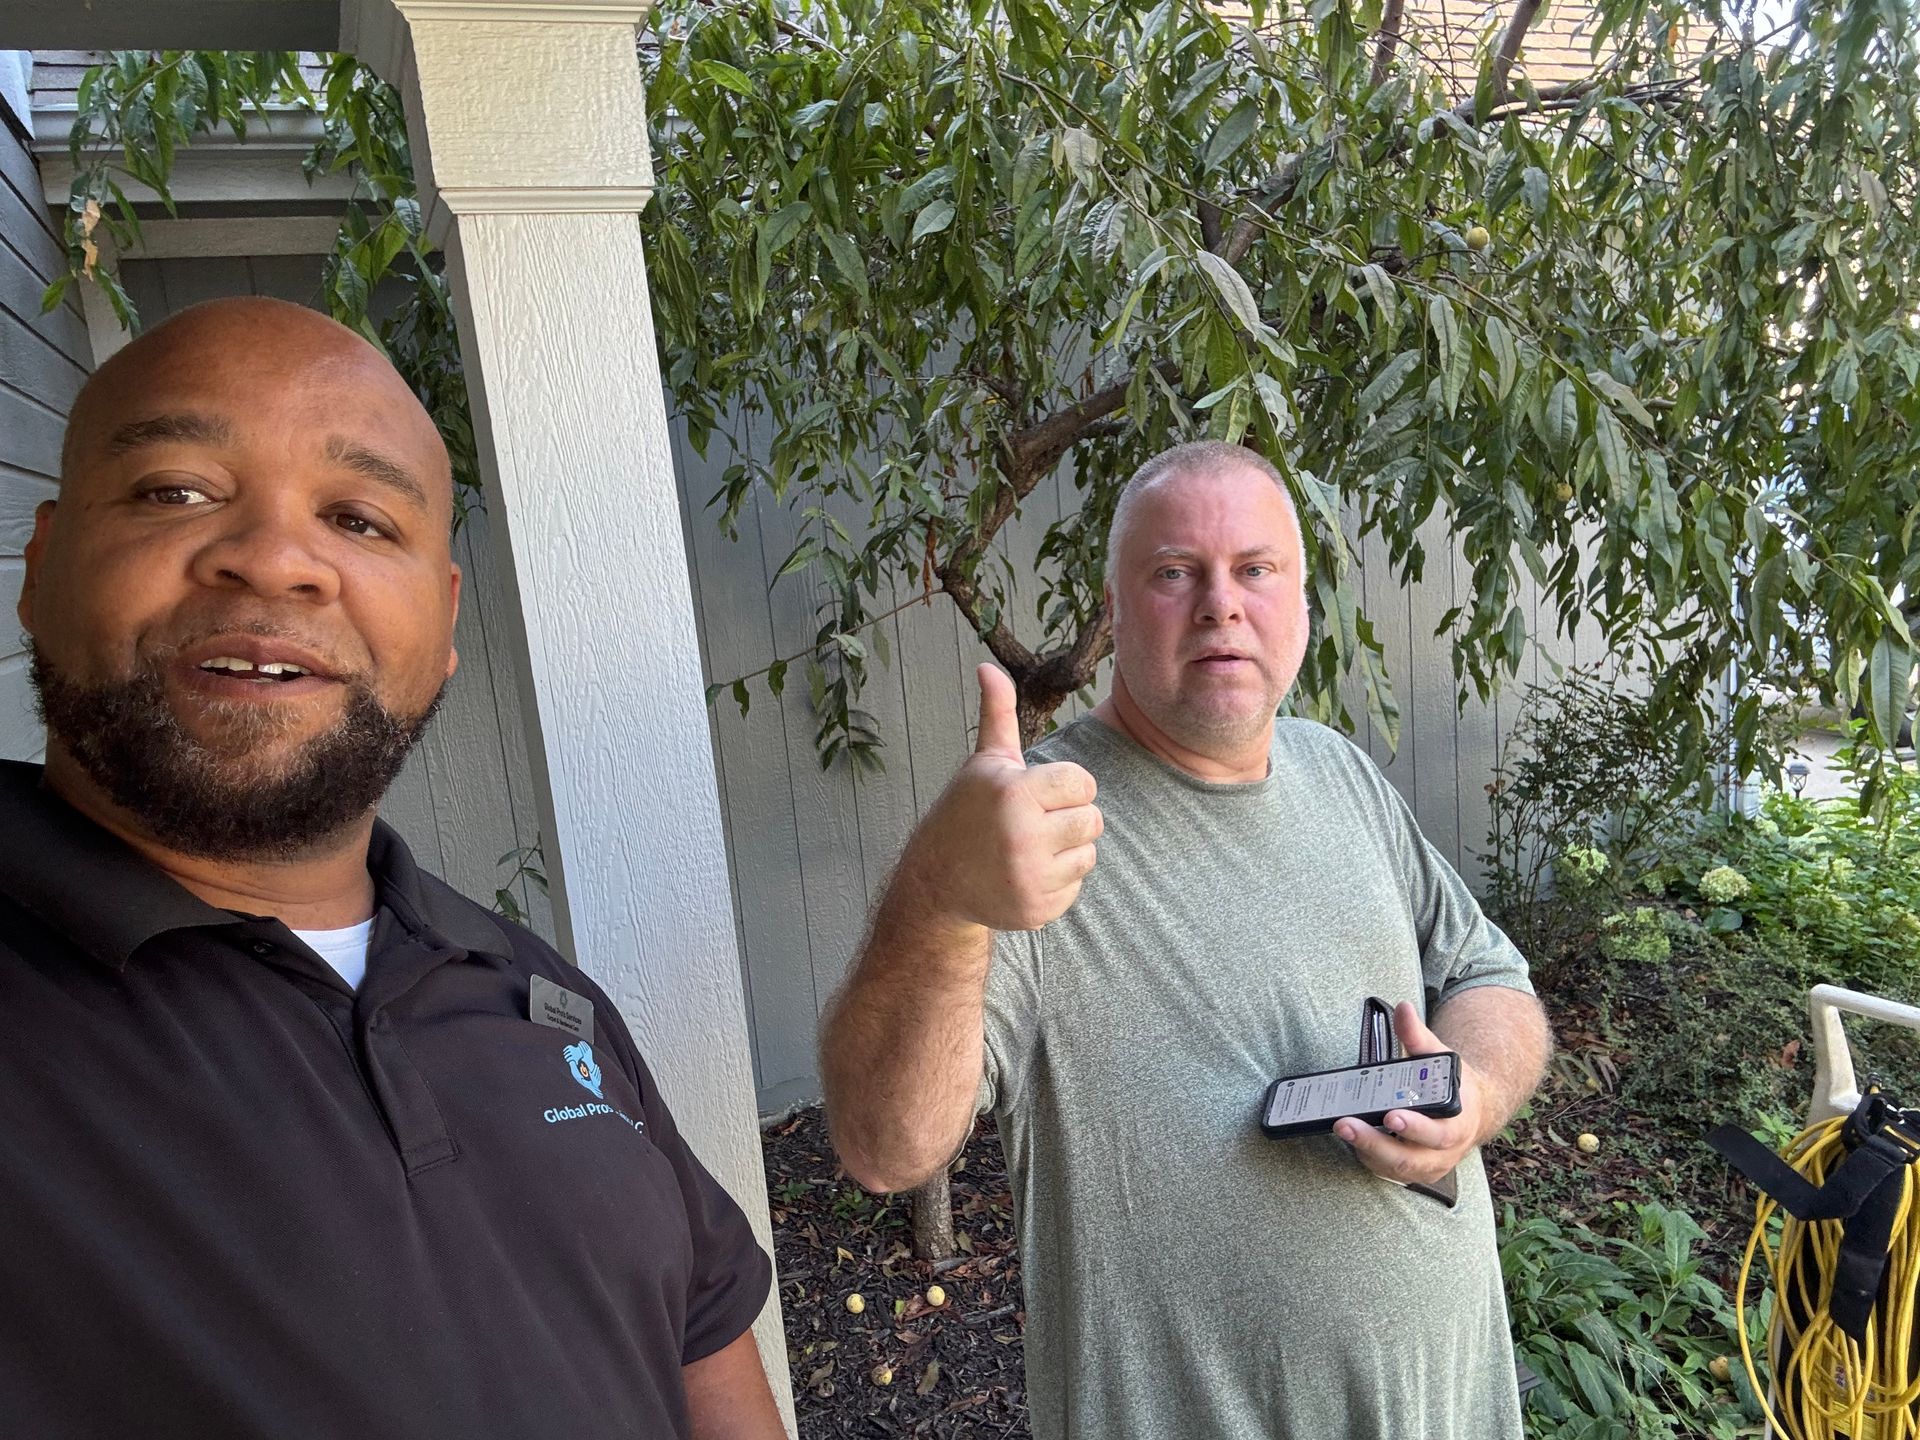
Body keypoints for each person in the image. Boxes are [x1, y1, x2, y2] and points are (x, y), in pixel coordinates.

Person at [2, 297, 786, 1440]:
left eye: (361, 519)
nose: (275, 560)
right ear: (40, 563)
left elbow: (699, 1342)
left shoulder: (528, 991)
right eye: (176, 490)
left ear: (445, 619)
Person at [821, 440, 1552, 1439]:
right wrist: (942, 898)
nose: (1221, 604)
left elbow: (1488, 974)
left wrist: (1471, 1094)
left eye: (1256, 570)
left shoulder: (1339, 773)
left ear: (1300, 601)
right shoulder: (1038, 834)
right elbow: (883, 1145)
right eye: (1175, 574)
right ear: (1114, 615)